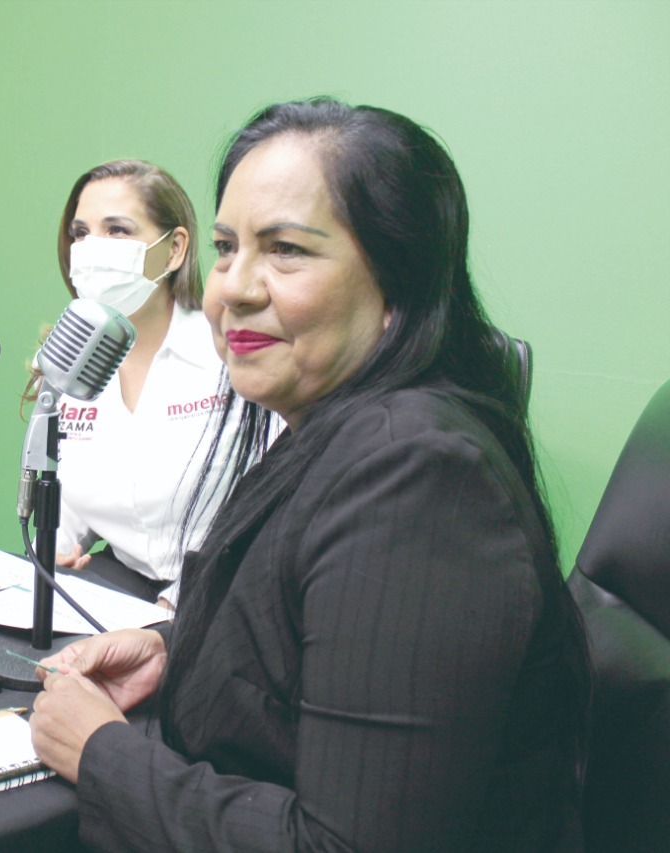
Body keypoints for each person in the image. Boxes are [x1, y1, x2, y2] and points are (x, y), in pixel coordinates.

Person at [29, 99, 590, 851]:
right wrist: (171, 647)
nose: (234, 289)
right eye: (227, 248)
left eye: (286, 249)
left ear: (397, 282)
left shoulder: (419, 479)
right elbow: (300, 629)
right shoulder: (324, 430)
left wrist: (101, 752)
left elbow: (343, 843)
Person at [45, 160, 246, 606]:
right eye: (81, 233)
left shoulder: (231, 355)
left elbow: (271, 505)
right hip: (125, 588)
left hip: (229, 589)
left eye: (117, 230)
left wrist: (177, 605)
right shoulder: (73, 362)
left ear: (174, 249)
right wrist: (52, 556)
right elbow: (68, 503)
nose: (91, 248)